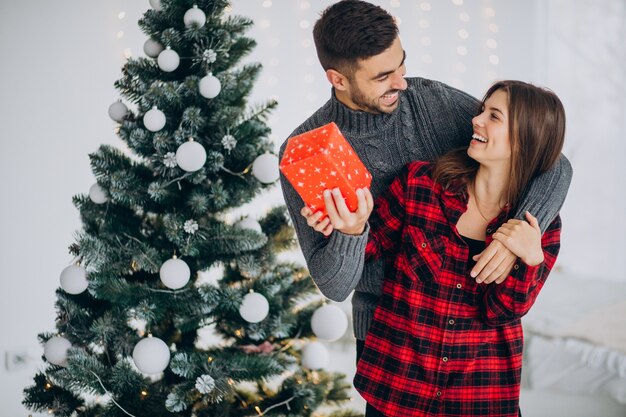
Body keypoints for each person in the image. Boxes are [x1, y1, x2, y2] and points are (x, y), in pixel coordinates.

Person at [278, 1, 572, 413]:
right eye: (383, 76)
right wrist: (348, 232)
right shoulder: (306, 153)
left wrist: (515, 238)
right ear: (338, 79)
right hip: (392, 342)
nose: (401, 82)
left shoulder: (431, 101)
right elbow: (336, 285)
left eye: (401, 64)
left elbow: (547, 157)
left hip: (477, 361)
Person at [326, 80, 565, 416]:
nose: (476, 120)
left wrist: (530, 259)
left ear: (526, 140)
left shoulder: (542, 226)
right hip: (397, 391)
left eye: (493, 116)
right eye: (482, 110)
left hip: (480, 396)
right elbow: (366, 250)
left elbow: (501, 312)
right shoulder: (419, 184)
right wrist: (347, 225)